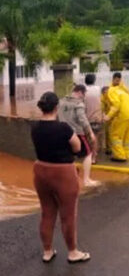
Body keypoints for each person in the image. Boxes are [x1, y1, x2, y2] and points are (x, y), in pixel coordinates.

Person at [31, 92, 90, 264]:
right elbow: (77, 147)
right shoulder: (63, 128)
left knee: (47, 213)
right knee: (68, 215)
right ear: (56, 107)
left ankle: (47, 251)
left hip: (41, 171)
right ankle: (73, 252)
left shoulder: (34, 127)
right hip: (63, 173)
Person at [57, 85, 99, 187]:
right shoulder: (79, 104)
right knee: (88, 154)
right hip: (77, 133)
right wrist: (90, 133)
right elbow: (83, 120)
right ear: (80, 92)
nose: (84, 97)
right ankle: (86, 180)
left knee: (67, 156)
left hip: (63, 133)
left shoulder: (61, 102)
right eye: (84, 94)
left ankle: (65, 181)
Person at [104, 78, 129, 161]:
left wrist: (108, 116)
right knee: (126, 136)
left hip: (122, 115)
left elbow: (116, 105)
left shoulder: (110, 91)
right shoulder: (122, 91)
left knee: (115, 135)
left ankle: (120, 156)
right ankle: (127, 153)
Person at [84, 74, 103, 164]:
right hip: (97, 118)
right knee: (96, 138)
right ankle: (94, 157)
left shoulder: (83, 91)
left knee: (88, 139)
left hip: (86, 119)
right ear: (94, 80)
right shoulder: (99, 89)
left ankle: (89, 155)